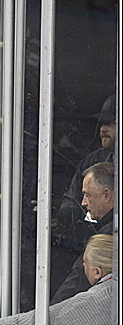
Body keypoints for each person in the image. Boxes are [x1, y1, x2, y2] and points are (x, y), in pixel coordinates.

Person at [56, 95, 116, 252]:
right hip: (91, 245)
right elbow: (71, 200)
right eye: (102, 123)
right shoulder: (93, 160)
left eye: (111, 123)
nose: (103, 129)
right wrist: (70, 222)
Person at [51, 162, 114, 305]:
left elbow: (76, 284)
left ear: (106, 195)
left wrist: (48, 315)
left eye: (87, 195)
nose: (83, 203)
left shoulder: (107, 236)